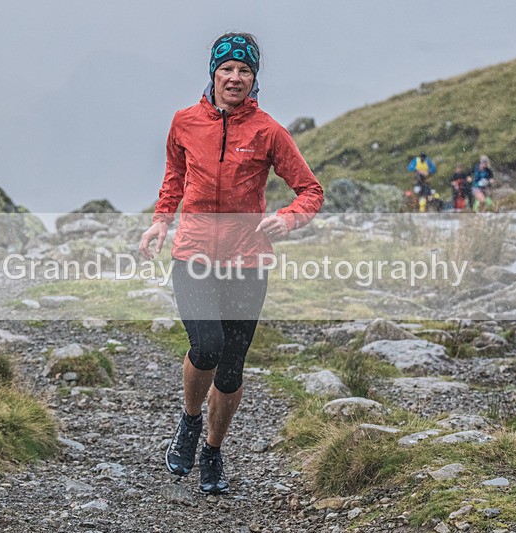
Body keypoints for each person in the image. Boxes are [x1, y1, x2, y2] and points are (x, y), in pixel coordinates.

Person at [139, 32, 323, 495]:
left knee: (232, 368)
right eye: (227, 69)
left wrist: (289, 218)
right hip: (194, 253)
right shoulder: (184, 122)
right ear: (213, 74)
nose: (235, 78)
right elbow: (174, 177)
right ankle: (189, 421)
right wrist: (161, 222)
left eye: (245, 71)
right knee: (206, 345)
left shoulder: (268, 131)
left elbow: (311, 191)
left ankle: (213, 452)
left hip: (248, 260)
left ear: (254, 78)